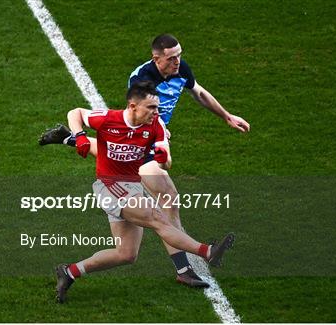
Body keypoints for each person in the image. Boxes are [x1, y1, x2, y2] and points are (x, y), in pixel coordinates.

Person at [40, 34, 249, 288]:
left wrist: (226, 116)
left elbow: (198, 92)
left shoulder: (180, 68)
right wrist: (158, 128)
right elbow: (134, 112)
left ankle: (71, 271)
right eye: (172, 58)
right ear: (157, 58)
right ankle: (193, 261)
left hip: (151, 138)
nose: (178, 62)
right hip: (139, 144)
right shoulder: (142, 79)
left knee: (127, 252)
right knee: (163, 204)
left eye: (179, 55)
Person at [56, 80, 234, 303]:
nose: (156, 112)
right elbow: (76, 113)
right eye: (151, 107)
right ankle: (208, 251)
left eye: (157, 107)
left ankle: (69, 271)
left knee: (126, 254)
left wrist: (163, 159)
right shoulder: (108, 118)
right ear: (133, 107)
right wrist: (80, 137)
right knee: (157, 218)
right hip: (109, 185)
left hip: (132, 186)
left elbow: (166, 160)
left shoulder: (156, 125)